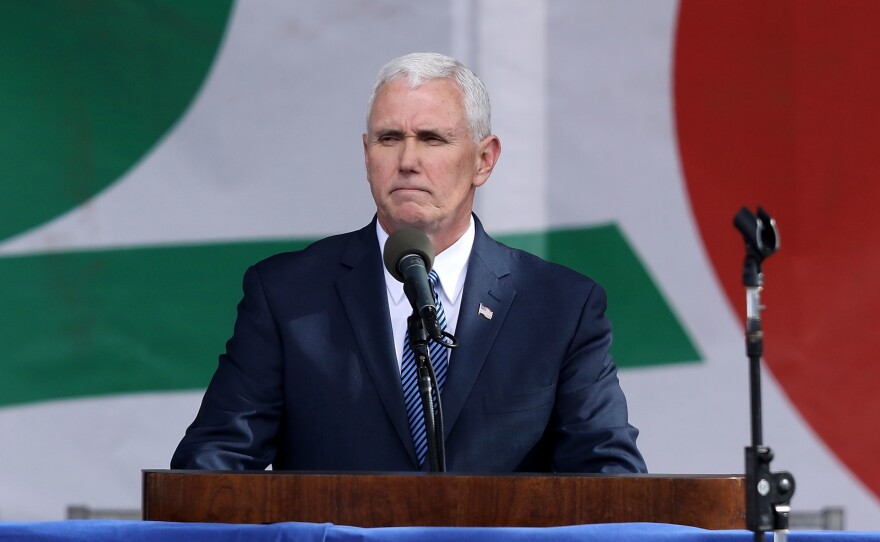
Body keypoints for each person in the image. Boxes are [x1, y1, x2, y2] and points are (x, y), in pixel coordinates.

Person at [171, 52, 646, 473]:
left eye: (433, 138)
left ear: (484, 159)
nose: (407, 160)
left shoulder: (561, 307)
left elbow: (609, 478)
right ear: (366, 154)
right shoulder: (287, 294)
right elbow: (213, 465)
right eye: (389, 138)